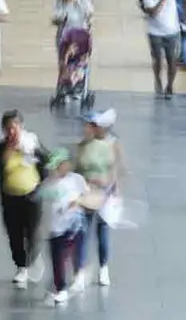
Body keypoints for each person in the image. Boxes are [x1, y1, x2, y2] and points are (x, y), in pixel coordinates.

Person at [0, 110, 49, 285]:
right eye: (7, 128)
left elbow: (47, 161)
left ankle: (33, 257)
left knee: (32, 232)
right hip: (9, 198)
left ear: (21, 127)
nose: (11, 132)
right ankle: (21, 266)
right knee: (14, 234)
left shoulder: (32, 143)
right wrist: (6, 154)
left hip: (32, 196)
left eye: (14, 127)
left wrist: (34, 152)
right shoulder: (1, 147)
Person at [74, 109, 123, 289]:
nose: (84, 129)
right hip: (85, 195)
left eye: (88, 126)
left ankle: (103, 267)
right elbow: (74, 170)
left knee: (102, 232)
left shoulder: (107, 146)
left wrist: (113, 187)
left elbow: (113, 169)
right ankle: (80, 270)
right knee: (83, 233)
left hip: (103, 194)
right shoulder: (79, 147)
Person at [39, 148, 89, 305]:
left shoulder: (77, 179)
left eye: (60, 164)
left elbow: (86, 195)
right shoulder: (49, 184)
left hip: (75, 225)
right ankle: (61, 288)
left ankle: (78, 273)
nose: (57, 168)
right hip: (56, 228)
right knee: (58, 259)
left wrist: (78, 202)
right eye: (54, 166)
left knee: (77, 251)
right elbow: (41, 196)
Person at [140, 0, 186, 98]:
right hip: (155, 33)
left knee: (172, 61)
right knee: (157, 60)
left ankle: (169, 86)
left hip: (172, 32)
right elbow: (153, 12)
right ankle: (158, 80)